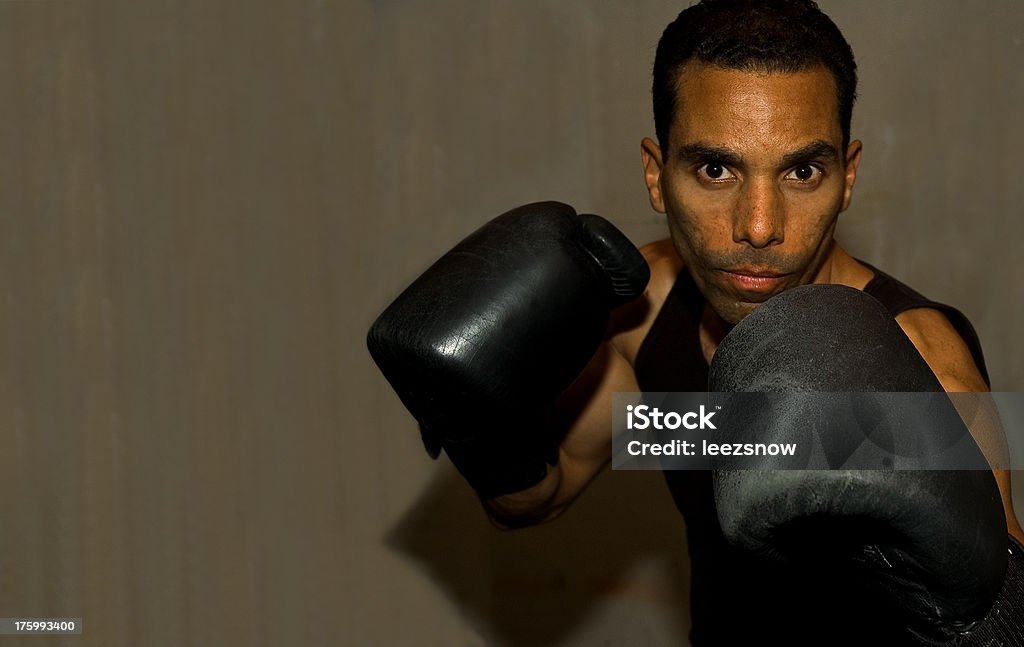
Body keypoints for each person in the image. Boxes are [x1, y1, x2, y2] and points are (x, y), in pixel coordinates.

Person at [369, 1, 1023, 644]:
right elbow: (537, 498)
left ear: (846, 178)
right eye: (716, 168)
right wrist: (486, 429)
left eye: (801, 170)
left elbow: (1007, 608)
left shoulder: (926, 364)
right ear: (657, 176)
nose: (759, 226)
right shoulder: (641, 312)